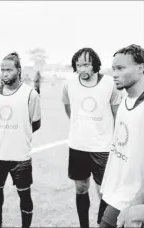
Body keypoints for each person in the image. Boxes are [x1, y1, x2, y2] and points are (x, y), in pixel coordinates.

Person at [61, 47, 123, 228]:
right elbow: (68, 109)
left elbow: (116, 114)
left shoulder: (110, 84)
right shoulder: (69, 85)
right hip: (78, 146)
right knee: (80, 188)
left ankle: (101, 224)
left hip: (103, 147)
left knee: (104, 192)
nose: (82, 69)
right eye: (78, 65)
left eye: (86, 65)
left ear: (95, 64)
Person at [0, 52, 41, 228]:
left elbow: (36, 123)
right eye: (2, 70)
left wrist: (18, 134)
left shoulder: (31, 94)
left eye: (9, 69)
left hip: (20, 155)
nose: (5, 73)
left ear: (18, 70)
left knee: (24, 195)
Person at [99, 44, 144, 228]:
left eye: (121, 68)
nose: (114, 74)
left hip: (130, 200)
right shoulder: (125, 100)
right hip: (113, 193)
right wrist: (106, 187)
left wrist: (136, 205)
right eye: (113, 68)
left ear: (141, 68)